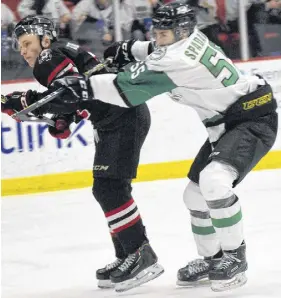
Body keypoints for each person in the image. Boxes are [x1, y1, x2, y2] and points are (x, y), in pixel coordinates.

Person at [50, 2, 278, 292]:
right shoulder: (192, 38)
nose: (158, 38)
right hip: (230, 120)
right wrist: (131, 49)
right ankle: (213, 259)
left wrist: (83, 87)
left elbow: (123, 90)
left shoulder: (176, 59)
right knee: (194, 196)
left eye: (164, 33)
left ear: (181, 31)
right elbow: (157, 49)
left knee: (214, 182)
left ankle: (235, 257)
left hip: (252, 119)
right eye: (156, 32)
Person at [1, 15, 164, 292]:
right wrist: (64, 119)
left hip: (122, 117)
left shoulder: (48, 57)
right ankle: (127, 253)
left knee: (109, 188)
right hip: (118, 116)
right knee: (109, 188)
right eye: (20, 47)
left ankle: (141, 255)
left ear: (45, 39)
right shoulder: (61, 52)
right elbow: (80, 91)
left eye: (28, 43)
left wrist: (21, 101)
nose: (25, 51)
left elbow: (69, 92)